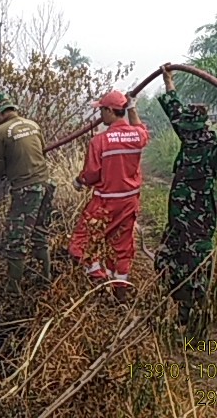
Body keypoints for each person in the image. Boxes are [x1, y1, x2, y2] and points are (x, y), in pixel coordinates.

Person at [152, 65, 217, 334]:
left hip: (198, 227)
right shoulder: (189, 141)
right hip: (176, 224)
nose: (185, 132)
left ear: (199, 129)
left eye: (189, 129)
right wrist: (168, 82)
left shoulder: (210, 153)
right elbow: (175, 112)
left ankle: (195, 326)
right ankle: (175, 314)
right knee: (166, 263)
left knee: (194, 274)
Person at [67, 88, 149, 304]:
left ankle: (100, 283)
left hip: (105, 204)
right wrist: (132, 107)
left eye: (102, 110)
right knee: (121, 248)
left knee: (80, 245)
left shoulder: (100, 141)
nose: (100, 115)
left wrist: (79, 181)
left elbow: (92, 175)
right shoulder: (137, 135)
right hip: (129, 202)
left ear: (112, 111)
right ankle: (120, 293)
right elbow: (141, 130)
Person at [0, 92, 55, 294]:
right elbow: (41, 152)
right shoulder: (33, 125)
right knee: (40, 232)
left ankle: (13, 289)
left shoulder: (0, 132)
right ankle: (46, 278)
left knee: (17, 238)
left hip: (27, 189)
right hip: (46, 184)